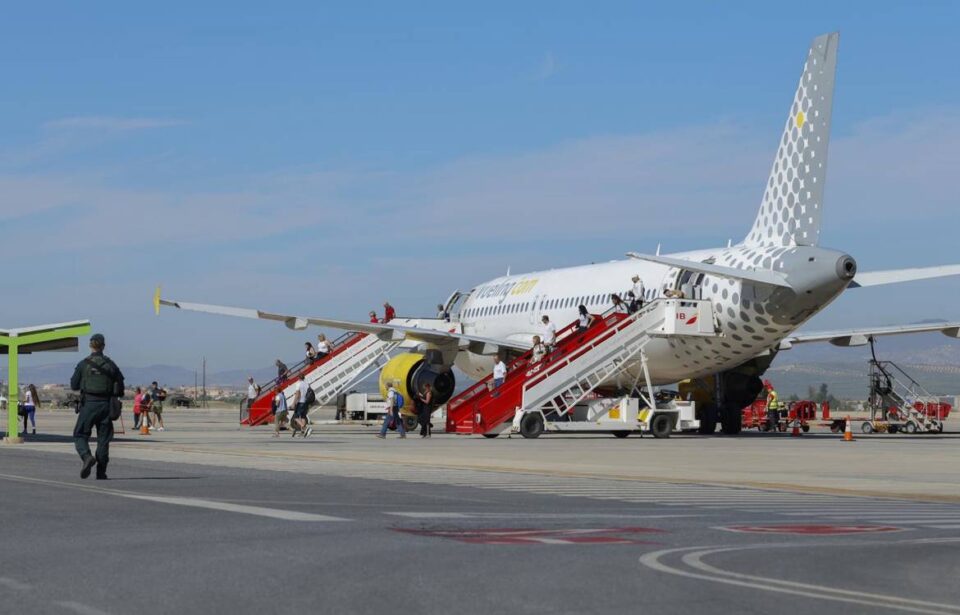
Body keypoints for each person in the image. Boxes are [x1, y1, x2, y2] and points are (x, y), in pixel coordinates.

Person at [70, 333, 124, 480]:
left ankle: (87, 457)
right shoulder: (111, 365)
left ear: (90, 345)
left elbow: (74, 384)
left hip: (89, 404)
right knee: (103, 440)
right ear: (103, 346)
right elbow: (120, 388)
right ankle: (101, 472)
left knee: (80, 435)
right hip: (106, 406)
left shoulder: (84, 364)